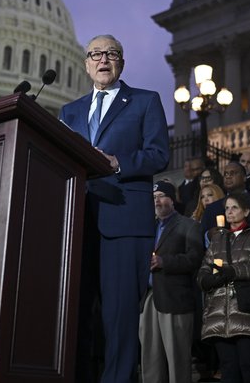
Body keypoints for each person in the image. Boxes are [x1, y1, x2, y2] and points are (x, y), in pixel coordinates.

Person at [60, 34, 169, 383]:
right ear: (86, 63)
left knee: (119, 320)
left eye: (111, 53)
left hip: (124, 222)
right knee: (76, 317)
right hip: (76, 224)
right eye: (95, 54)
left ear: (121, 61)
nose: (103, 59)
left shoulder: (144, 101)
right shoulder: (69, 111)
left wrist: (118, 162)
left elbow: (159, 154)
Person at [198, 192, 250, 383]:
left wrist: (232, 271)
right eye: (227, 208)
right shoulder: (218, 239)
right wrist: (208, 280)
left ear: (246, 211)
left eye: (234, 207)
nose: (229, 212)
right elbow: (203, 272)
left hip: (246, 312)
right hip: (219, 314)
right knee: (228, 369)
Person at [140, 181, 204, 383]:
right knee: (150, 357)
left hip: (175, 299)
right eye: (154, 197)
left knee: (177, 358)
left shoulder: (188, 225)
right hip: (148, 298)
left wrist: (163, 261)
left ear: (172, 199)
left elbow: (194, 259)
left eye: (161, 195)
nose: (157, 201)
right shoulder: (146, 227)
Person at [201, 161, 246, 235]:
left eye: (233, 173)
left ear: (244, 177)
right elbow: (203, 235)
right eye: (226, 174)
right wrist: (209, 235)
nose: (228, 176)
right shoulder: (212, 209)